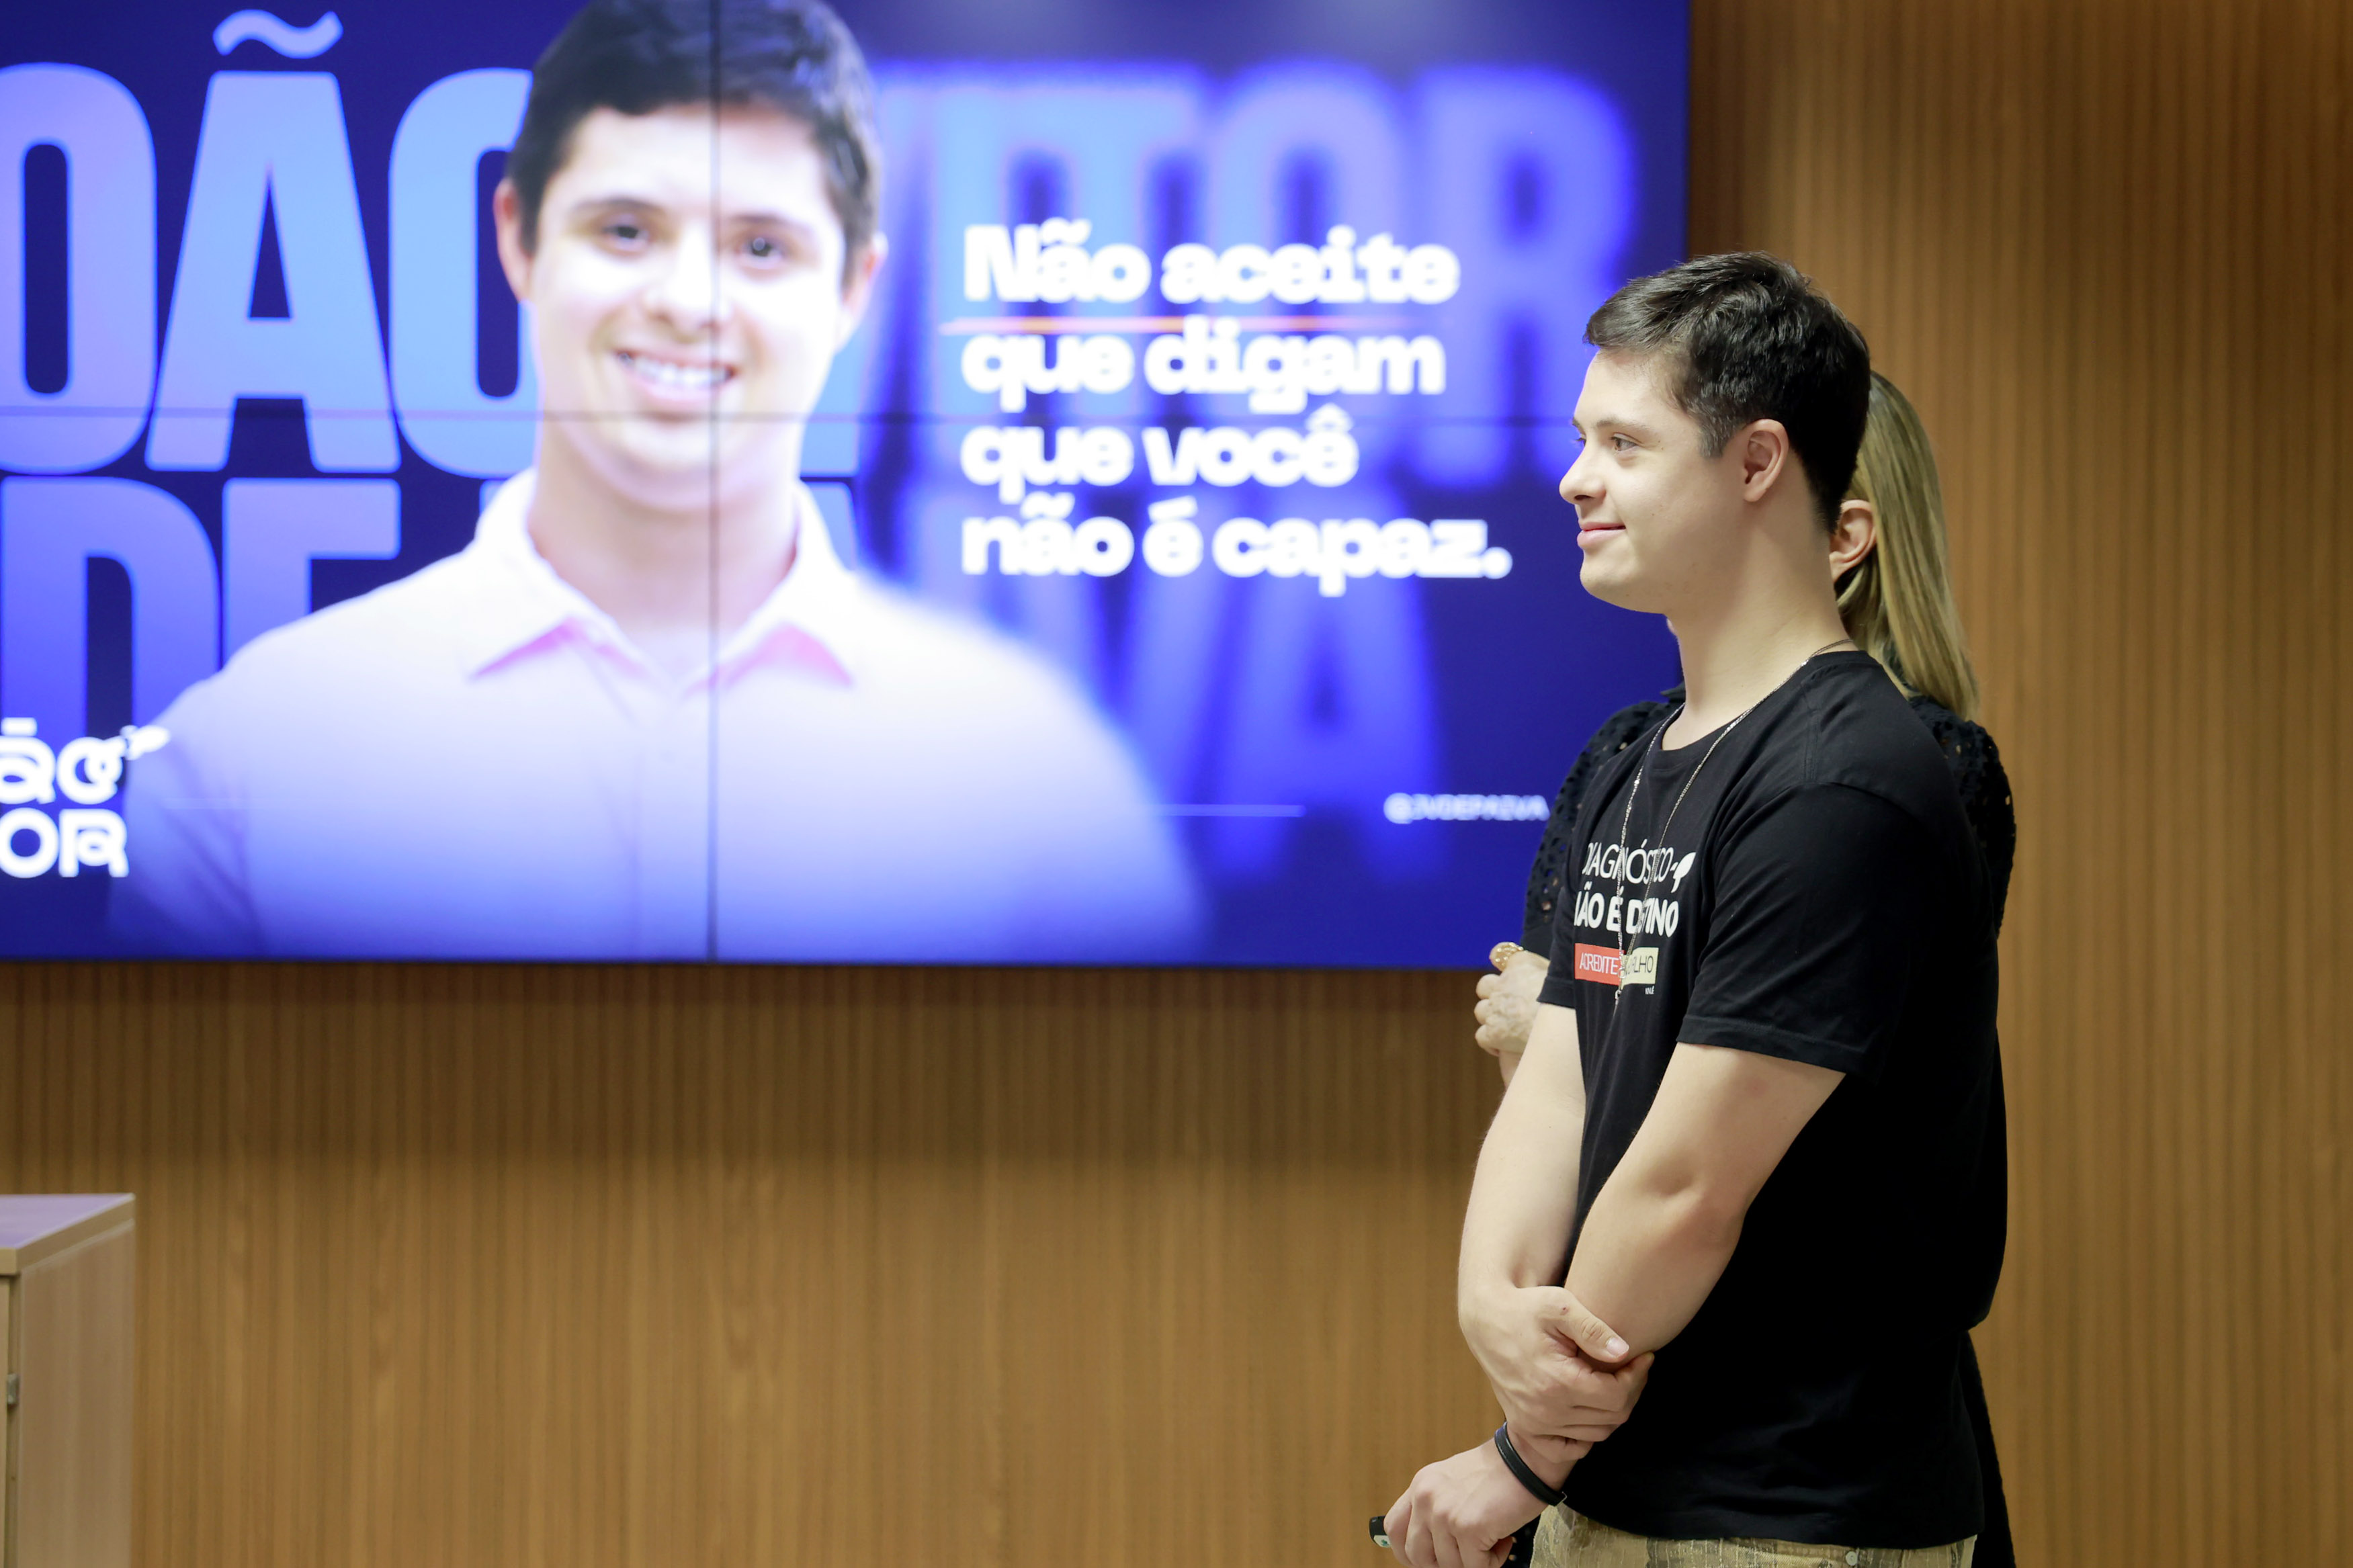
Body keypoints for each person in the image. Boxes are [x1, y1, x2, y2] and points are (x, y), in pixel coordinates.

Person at [115, 0, 1197, 961]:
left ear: (853, 289)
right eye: (626, 231)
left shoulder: (1043, 784)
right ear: (518, 239)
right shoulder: (245, 758)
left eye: (760, 248)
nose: (687, 301)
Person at [1381, 255, 2003, 1567]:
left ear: (1756, 462)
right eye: (1579, 440)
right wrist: (1490, 1302)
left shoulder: (1845, 779)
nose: (1573, 479)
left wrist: (1518, 1458)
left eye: (1622, 443)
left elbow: (1686, 1186)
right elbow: (1558, 1079)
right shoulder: (1638, 762)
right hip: (1614, 1480)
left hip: (1784, 1510)